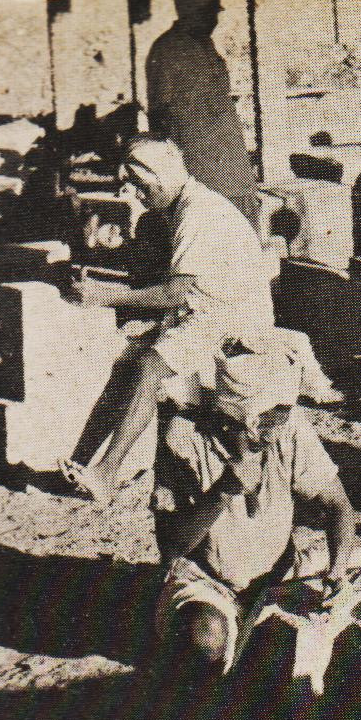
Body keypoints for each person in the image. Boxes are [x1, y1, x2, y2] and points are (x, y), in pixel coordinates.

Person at [62, 135, 279, 503]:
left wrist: (104, 295)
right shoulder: (181, 207)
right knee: (128, 361)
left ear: (160, 178)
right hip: (207, 311)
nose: (134, 193)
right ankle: (83, 461)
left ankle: (107, 473)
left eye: (140, 186)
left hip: (233, 321)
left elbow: (177, 292)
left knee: (149, 366)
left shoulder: (198, 212)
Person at [153, 340, 357, 677]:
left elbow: (338, 505)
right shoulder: (183, 438)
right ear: (239, 415)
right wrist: (223, 491)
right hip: (207, 581)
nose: (273, 431)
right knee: (205, 637)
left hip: (275, 575)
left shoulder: (287, 428)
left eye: (280, 420)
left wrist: (336, 572)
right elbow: (171, 546)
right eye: (264, 423)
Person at [146, 0, 259, 225]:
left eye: (215, 12)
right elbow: (158, 119)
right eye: (208, 11)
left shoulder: (207, 45)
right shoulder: (167, 50)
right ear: (188, 9)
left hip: (235, 172)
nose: (215, 19)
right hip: (202, 177)